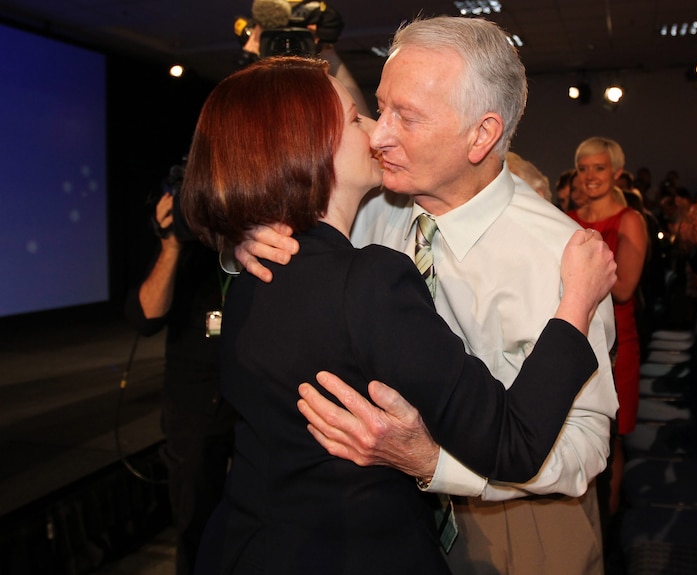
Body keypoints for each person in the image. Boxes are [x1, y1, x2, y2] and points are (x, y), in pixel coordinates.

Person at [182, 55, 616, 574]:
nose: (378, 131)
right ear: (308, 151)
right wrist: (575, 307)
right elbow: (515, 443)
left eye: (402, 116)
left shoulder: (260, 268)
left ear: (480, 134)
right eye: (361, 116)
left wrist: (241, 235)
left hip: (256, 542)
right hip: (354, 548)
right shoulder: (351, 263)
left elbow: (586, 439)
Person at [124, 168, 236, 575]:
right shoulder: (182, 251)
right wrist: (171, 246)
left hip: (250, 400)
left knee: (259, 520)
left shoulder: (251, 237)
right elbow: (145, 318)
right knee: (196, 528)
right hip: (194, 408)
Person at [566, 137, 648, 519]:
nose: (590, 176)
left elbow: (626, 287)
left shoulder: (630, 219)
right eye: (583, 168)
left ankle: (610, 529)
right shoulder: (571, 216)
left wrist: (582, 276)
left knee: (611, 435)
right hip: (580, 335)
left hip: (618, 343)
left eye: (598, 168)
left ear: (616, 172)